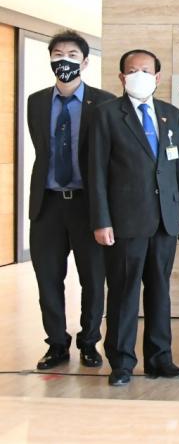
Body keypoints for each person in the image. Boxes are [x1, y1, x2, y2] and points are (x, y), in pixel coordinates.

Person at [89, 49, 179, 386]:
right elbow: (96, 173)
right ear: (122, 77)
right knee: (123, 293)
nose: (139, 76)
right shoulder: (106, 115)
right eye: (132, 70)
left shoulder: (171, 115)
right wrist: (101, 220)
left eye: (146, 70)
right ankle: (121, 362)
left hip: (166, 220)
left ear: (157, 77)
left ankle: (160, 358)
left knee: (160, 291)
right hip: (124, 222)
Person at [26, 30, 115, 370]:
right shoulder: (36, 101)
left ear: (85, 62)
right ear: (50, 59)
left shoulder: (104, 102)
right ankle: (56, 344)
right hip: (47, 204)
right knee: (48, 279)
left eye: (72, 55)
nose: (64, 60)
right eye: (58, 54)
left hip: (87, 204)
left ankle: (90, 342)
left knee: (93, 278)